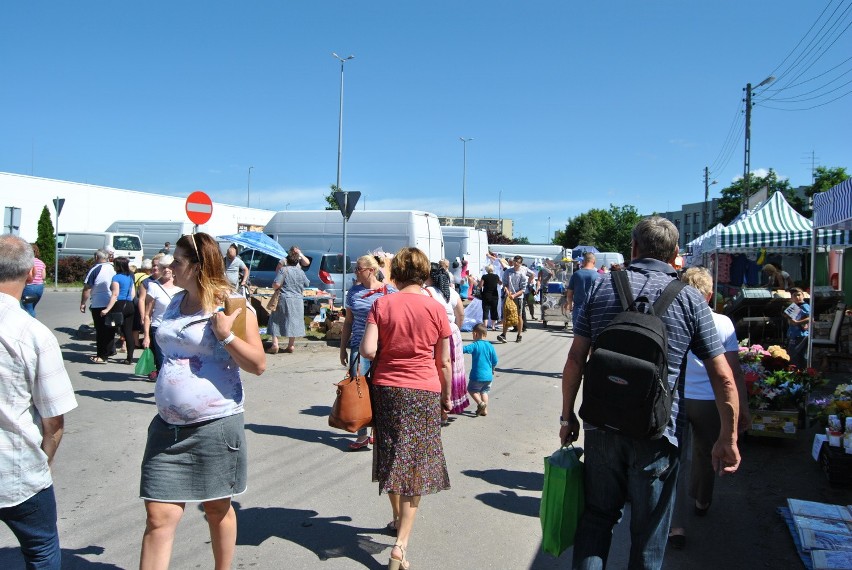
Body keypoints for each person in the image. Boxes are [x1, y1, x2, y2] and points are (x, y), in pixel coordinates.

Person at [559, 217, 741, 570]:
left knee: (597, 518)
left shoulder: (602, 288)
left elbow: (575, 359)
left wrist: (568, 417)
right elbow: (724, 377)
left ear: (634, 247)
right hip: (660, 432)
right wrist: (727, 436)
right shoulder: (691, 299)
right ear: (676, 256)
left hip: (602, 426)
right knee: (649, 533)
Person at [138, 232, 265, 570]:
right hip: (167, 428)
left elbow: (257, 364)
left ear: (196, 266)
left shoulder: (232, 305)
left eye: (177, 262)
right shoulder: (175, 301)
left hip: (215, 426)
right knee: (158, 515)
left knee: (216, 508)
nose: (169, 267)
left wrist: (226, 334)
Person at [360, 247, 452, 570]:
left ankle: (397, 517)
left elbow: (368, 350)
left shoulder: (381, 303)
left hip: (387, 389)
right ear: (425, 273)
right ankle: (400, 544)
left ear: (395, 272)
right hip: (424, 389)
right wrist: (446, 398)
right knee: (415, 464)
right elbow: (443, 361)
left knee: (390, 453)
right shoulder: (436, 308)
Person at [0, 234, 78, 569]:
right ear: (33, 273)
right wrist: (41, 464)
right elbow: (54, 422)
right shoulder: (33, 334)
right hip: (16, 470)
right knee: (42, 550)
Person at [668, 267, 750, 550]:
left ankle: (676, 525)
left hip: (676, 397)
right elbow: (733, 372)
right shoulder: (723, 322)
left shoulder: (670, 315)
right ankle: (702, 500)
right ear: (710, 293)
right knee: (706, 454)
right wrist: (743, 409)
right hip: (710, 401)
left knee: (673, 460)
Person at [339, 254, 397, 450]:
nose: (355, 272)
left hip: (383, 347)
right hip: (358, 346)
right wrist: (342, 348)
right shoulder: (353, 292)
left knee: (381, 389)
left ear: (371, 270)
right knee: (358, 389)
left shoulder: (388, 291)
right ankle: (362, 434)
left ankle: (378, 432)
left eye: (359, 269)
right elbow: (348, 322)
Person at [423, 264, 469, 417]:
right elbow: (461, 314)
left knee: (438, 369)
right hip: (453, 332)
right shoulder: (452, 293)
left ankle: (439, 409)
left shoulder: (426, 292)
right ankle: (448, 406)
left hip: (436, 333)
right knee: (451, 369)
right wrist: (457, 328)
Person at [142, 255, 181, 381]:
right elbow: (147, 314)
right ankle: (164, 391)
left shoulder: (181, 287)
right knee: (164, 363)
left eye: (170, 267)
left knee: (177, 363)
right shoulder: (153, 286)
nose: (167, 270)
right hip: (158, 329)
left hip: (177, 330)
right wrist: (146, 336)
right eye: (164, 267)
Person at [267, 249, 310, 354]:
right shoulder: (301, 271)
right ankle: (291, 345)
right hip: (298, 300)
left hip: (284, 298)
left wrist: (274, 286)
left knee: (275, 320)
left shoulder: (284, 270)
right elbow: (307, 284)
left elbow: (276, 284)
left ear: (287, 260)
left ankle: (275, 345)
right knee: (294, 322)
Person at [80, 248, 117, 363]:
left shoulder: (95, 269)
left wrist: (82, 303)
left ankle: (102, 355)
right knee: (111, 328)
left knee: (101, 330)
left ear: (96, 257)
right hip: (113, 302)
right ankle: (110, 350)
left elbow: (87, 288)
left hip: (99, 303)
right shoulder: (113, 268)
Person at [100, 256, 137, 365]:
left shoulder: (116, 277)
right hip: (130, 305)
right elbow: (133, 293)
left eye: (114, 264)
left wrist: (107, 309)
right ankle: (129, 358)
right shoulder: (130, 276)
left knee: (110, 330)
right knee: (128, 332)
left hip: (119, 306)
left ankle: (106, 354)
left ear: (118, 266)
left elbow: (115, 294)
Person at [463, 323, 499, 417]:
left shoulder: (475, 345)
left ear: (475, 334)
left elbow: (464, 349)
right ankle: (485, 410)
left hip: (477, 375)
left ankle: (480, 403)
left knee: (471, 390)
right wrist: (493, 368)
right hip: (488, 376)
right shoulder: (490, 346)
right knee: (484, 392)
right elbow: (495, 360)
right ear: (485, 334)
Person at [497, 256, 532, 343]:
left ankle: (519, 334)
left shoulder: (522, 274)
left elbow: (523, 289)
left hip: (518, 297)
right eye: (515, 261)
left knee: (519, 316)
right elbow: (505, 284)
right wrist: (507, 291)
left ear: (520, 263)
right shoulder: (508, 272)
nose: (516, 263)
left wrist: (515, 295)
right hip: (508, 296)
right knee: (506, 315)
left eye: (518, 262)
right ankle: (504, 334)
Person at [566, 252, 599, 328]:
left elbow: (570, 293)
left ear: (583, 262)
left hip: (578, 309)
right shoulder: (598, 276)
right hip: (593, 310)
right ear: (594, 262)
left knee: (578, 335)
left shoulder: (576, 274)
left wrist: (570, 305)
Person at [785, 287, 811, 369]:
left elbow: (810, 318)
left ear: (803, 296)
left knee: (797, 355)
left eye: (799, 295)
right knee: (793, 355)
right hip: (793, 334)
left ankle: (800, 372)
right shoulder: (793, 306)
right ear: (791, 298)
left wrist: (797, 323)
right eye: (794, 296)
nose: (797, 297)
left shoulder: (804, 306)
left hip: (801, 335)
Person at [21, 243, 46, 317]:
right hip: (39, 288)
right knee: (31, 307)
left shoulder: (26, 262)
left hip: (28, 287)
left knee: (28, 308)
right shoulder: (41, 263)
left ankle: (30, 325)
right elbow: (43, 276)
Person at [480, 264, 501, 330]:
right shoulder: (496, 276)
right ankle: (493, 326)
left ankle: (485, 326)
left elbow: (480, 285)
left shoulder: (484, 276)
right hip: (494, 296)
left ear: (486, 269)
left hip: (486, 295)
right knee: (494, 310)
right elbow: (500, 283)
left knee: (485, 310)